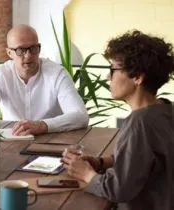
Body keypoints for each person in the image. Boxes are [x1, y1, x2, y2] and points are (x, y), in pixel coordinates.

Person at [62, 30, 174, 210]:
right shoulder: (164, 109)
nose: (108, 77)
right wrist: (101, 163)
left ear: (137, 77)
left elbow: (118, 190)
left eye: (113, 69)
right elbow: (141, 161)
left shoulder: (140, 123)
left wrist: (87, 174)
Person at [0, 24, 88, 136]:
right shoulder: (0, 73)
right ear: (9, 53)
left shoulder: (57, 73)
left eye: (33, 48)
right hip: (13, 140)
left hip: (49, 140)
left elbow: (80, 116)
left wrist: (42, 125)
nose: (28, 56)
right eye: (21, 50)